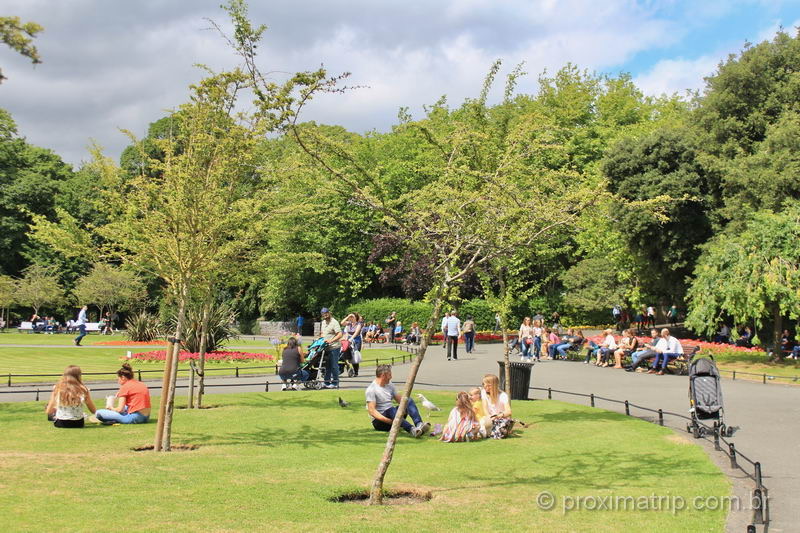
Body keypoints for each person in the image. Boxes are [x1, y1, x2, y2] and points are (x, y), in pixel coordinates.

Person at [365, 365, 430, 437]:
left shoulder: (390, 385)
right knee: (391, 410)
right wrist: (389, 421)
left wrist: (406, 406)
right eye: (389, 375)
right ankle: (412, 430)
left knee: (407, 400)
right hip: (380, 422)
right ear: (383, 375)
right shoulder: (371, 389)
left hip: (393, 416)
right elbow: (372, 411)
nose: (391, 377)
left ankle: (419, 424)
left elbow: (401, 401)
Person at [480, 374, 513, 439]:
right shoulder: (483, 392)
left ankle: (487, 432)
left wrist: (499, 416)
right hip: (490, 417)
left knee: (485, 426)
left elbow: (509, 411)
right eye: (484, 384)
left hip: (500, 418)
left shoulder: (503, 395)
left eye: (488, 385)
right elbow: (485, 408)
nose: (485, 387)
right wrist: (489, 417)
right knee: (482, 422)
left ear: (494, 386)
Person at [319, 308, 342, 388]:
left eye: (326, 313)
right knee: (327, 366)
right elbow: (322, 333)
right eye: (323, 314)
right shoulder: (323, 322)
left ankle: (335, 383)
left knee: (334, 365)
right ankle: (326, 382)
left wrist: (331, 340)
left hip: (334, 347)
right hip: (326, 348)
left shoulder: (334, 322)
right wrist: (320, 339)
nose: (325, 315)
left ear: (329, 313)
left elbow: (339, 334)